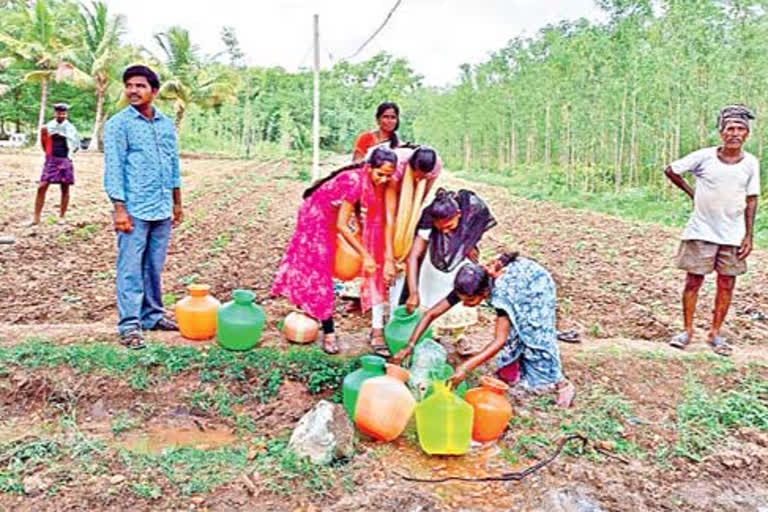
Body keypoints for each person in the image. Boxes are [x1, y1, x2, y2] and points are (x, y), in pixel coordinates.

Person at [392, 253, 575, 408]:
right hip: (515, 283)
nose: (464, 304)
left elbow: (499, 340)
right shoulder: (468, 284)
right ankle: (513, 374)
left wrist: (465, 367)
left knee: (534, 335)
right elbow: (431, 314)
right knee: (513, 339)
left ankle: (562, 384)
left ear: (484, 293)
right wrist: (410, 345)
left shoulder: (501, 293)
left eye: (470, 301)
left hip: (534, 287)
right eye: (462, 299)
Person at [272, 147, 398, 354]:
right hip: (314, 219)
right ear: (368, 168)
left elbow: (355, 210)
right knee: (320, 272)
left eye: (388, 176)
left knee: (323, 269)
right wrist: (365, 255)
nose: (384, 180)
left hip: (328, 217)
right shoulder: (355, 182)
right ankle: (328, 332)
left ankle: (312, 310)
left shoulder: (365, 181)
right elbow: (341, 224)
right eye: (380, 174)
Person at [665, 104, 760, 356]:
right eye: (730, 128)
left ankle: (715, 333)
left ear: (746, 135)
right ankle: (686, 331)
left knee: (727, 283)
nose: (735, 133)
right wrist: (692, 193)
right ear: (721, 132)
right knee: (693, 280)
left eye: (740, 129)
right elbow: (671, 170)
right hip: (701, 231)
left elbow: (751, 199)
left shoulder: (750, 163)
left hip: (733, 234)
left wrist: (749, 235)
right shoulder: (704, 157)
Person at [103, 65, 183, 349]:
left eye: (140, 86)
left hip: (161, 206)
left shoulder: (165, 124)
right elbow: (114, 169)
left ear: (154, 91)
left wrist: (177, 203)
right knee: (130, 267)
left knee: (153, 266)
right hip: (134, 208)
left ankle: (152, 316)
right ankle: (130, 325)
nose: (133, 90)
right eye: (129, 85)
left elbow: (173, 165)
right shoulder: (118, 125)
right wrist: (119, 208)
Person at [32, 103, 80, 225]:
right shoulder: (47, 127)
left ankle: (62, 217)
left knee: (65, 188)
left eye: (63, 113)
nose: (61, 115)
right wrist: (49, 155)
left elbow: (76, 145)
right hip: (52, 159)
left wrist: (68, 156)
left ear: (66, 114)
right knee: (42, 186)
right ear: (55, 113)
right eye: (59, 113)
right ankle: (36, 218)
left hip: (65, 159)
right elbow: (44, 143)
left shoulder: (71, 128)